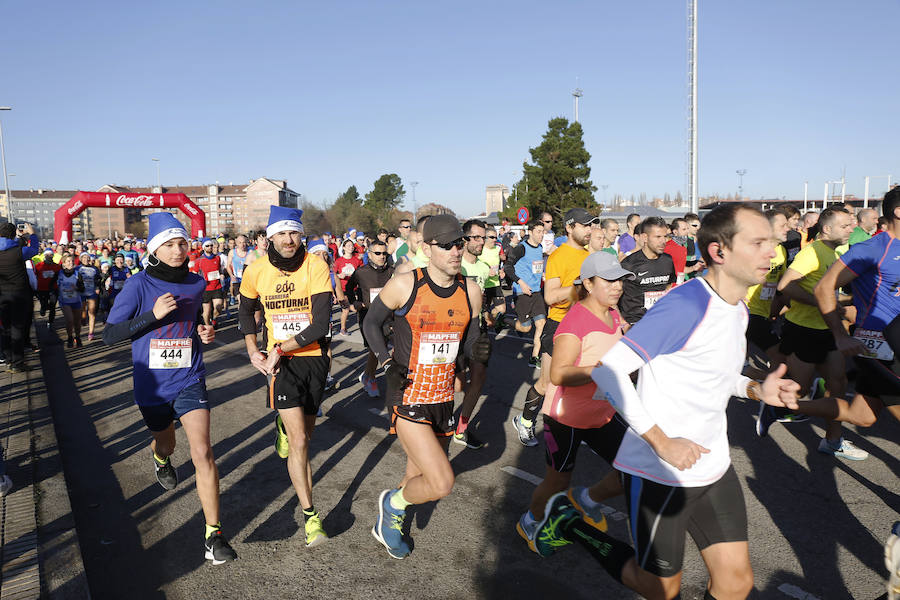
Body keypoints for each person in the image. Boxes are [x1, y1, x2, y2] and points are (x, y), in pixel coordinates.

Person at [533, 203, 802, 600]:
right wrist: (662, 442)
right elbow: (609, 371)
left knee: (736, 584)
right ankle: (568, 522)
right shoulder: (687, 305)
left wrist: (755, 389)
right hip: (662, 469)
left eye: (772, 241)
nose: (773, 252)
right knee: (659, 588)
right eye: (758, 242)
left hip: (712, 463)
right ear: (719, 252)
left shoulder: (738, 308)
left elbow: (716, 374)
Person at [103, 213, 236, 565]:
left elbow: (192, 325)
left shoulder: (195, 284)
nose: (178, 250)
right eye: (169, 244)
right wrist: (152, 316)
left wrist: (203, 334)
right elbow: (110, 335)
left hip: (190, 377)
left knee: (203, 452)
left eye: (182, 243)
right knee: (167, 441)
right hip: (152, 384)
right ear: (155, 250)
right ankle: (161, 456)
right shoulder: (138, 285)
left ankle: (213, 534)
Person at [362, 214, 488, 559]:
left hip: (444, 398)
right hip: (409, 394)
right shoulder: (406, 284)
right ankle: (391, 503)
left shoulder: (471, 291)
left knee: (416, 472)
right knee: (441, 482)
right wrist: (385, 363)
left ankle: (390, 523)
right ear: (427, 247)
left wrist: (475, 354)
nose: (455, 250)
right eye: (446, 244)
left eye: (459, 243)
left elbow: (469, 344)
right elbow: (371, 322)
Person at [516, 252, 631, 552]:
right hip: (565, 417)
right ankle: (529, 521)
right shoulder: (575, 321)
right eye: (610, 281)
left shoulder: (614, 314)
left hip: (602, 413)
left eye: (620, 280)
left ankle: (588, 498)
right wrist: (600, 371)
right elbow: (558, 373)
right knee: (557, 482)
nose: (618, 286)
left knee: (632, 467)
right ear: (589, 284)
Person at [239, 206, 333, 548]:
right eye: (281, 234)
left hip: (314, 359)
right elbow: (246, 313)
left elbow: (321, 325)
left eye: (293, 233)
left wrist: (283, 346)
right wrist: (254, 349)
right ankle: (311, 517)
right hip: (282, 367)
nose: (288, 240)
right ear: (270, 238)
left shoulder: (316, 265)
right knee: (301, 443)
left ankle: (282, 424)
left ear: (300, 235)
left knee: (305, 435)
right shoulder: (256, 270)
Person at [776, 206, 866, 460]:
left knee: (838, 382)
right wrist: (822, 302)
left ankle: (833, 440)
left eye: (851, 225)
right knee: (800, 388)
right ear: (827, 229)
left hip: (827, 330)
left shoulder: (836, 252)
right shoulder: (812, 252)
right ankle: (764, 400)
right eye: (845, 226)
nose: (851, 230)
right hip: (802, 330)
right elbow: (785, 286)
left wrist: (840, 304)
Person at [512, 208, 596, 447]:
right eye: (584, 225)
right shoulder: (559, 256)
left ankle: (576, 427)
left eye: (591, 225)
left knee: (580, 381)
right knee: (548, 383)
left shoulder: (590, 255)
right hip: (559, 325)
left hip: (583, 325)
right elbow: (550, 296)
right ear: (570, 227)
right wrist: (579, 290)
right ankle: (526, 421)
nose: (589, 230)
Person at [344, 239, 394, 397]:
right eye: (377, 253)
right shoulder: (361, 272)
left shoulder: (392, 272)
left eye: (384, 253)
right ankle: (369, 377)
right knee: (376, 347)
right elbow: (349, 288)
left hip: (388, 316)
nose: (381, 256)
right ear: (370, 254)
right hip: (368, 317)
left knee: (385, 347)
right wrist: (355, 303)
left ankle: (368, 376)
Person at [504, 219, 547, 368]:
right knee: (526, 327)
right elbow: (508, 267)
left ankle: (534, 357)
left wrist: (542, 275)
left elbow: (536, 267)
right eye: (538, 232)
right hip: (522, 293)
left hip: (536, 292)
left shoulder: (540, 247)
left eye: (543, 232)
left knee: (541, 323)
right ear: (530, 232)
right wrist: (521, 283)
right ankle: (505, 320)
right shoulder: (521, 249)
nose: (542, 235)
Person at [619, 217, 676, 327]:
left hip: (660, 319)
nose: (663, 241)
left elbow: (669, 285)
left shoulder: (668, 260)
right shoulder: (628, 264)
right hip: (635, 323)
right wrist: (624, 324)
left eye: (665, 237)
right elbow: (615, 296)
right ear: (645, 237)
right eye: (658, 237)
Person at [0, 223, 39, 371]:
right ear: (12, 235)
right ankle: (17, 363)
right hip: (19, 295)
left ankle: (8, 359)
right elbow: (34, 249)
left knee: (5, 328)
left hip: (2, 296)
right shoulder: (18, 251)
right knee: (17, 328)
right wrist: (32, 234)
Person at [192, 239, 226, 327]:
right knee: (206, 312)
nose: (210, 247)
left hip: (217, 287)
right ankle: (208, 326)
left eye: (211, 245)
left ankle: (214, 319)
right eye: (207, 246)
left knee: (218, 308)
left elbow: (220, 270)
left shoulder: (217, 258)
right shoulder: (199, 260)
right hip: (206, 289)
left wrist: (222, 274)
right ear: (203, 247)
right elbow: (194, 274)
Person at [55, 254, 85, 348]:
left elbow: (82, 288)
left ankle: (78, 337)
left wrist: (77, 288)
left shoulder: (77, 274)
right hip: (65, 301)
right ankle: (69, 337)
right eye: (68, 261)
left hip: (76, 300)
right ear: (64, 263)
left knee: (77, 321)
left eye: (72, 261)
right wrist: (54, 295)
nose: (71, 263)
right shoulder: (59, 274)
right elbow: (52, 285)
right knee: (70, 320)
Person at [334, 239, 362, 336]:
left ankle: (364, 326)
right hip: (342, 289)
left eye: (352, 246)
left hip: (354, 288)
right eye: (348, 245)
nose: (351, 247)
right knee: (346, 309)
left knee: (357, 308)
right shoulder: (339, 261)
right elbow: (333, 275)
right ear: (344, 248)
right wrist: (338, 275)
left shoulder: (357, 260)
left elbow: (361, 273)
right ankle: (343, 329)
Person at [480, 225, 506, 329]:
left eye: (496, 237)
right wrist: (486, 271)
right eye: (492, 237)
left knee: (502, 309)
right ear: (485, 238)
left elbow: (498, 265)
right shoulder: (480, 250)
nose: (495, 239)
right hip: (484, 285)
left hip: (495, 284)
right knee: (487, 322)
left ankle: (490, 316)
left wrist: (500, 271)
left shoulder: (497, 249)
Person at [34, 249, 60, 328]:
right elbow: (34, 277)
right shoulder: (38, 266)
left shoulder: (57, 266)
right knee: (44, 304)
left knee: (53, 306)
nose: (49, 257)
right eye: (47, 255)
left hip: (54, 289)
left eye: (51, 255)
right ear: (44, 256)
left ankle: (50, 322)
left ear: (53, 256)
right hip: (42, 289)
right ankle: (43, 308)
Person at [78, 252, 100, 341]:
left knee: (92, 312)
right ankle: (83, 319)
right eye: (84, 258)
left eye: (88, 258)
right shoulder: (78, 268)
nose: (86, 259)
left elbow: (98, 279)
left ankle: (91, 333)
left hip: (91, 292)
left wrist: (97, 287)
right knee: (83, 313)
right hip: (82, 292)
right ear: (81, 259)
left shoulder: (94, 269)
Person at [226, 234, 250, 312]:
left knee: (248, 301)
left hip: (247, 280)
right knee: (240, 300)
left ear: (246, 242)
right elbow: (228, 265)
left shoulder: (251, 251)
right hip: (237, 279)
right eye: (240, 242)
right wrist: (231, 275)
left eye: (243, 242)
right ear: (236, 243)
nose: (242, 245)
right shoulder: (232, 252)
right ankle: (241, 320)